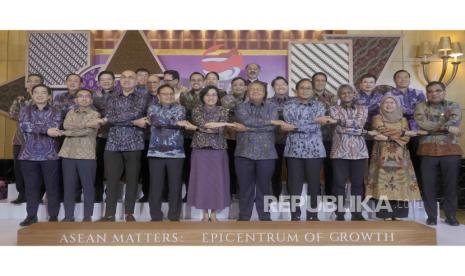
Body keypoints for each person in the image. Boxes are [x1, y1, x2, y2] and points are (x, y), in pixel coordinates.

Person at [98, 70, 149, 222]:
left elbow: (136, 113)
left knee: (132, 180)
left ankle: (129, 213)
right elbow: (111, 117)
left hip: (134, 143)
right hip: (113, 143)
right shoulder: (111, 97)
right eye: (124, 77)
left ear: (136, 80)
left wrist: (112, 119)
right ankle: (109, 214)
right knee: (112, 180)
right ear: (119, 81)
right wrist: (134, 122)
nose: (127, 80)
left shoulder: (142, 98)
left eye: (130, 77)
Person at [282, 79, 335, 221]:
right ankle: (295, 214)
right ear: (296, 90)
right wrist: (314, 121)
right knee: (294, 184)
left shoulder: (320, 105)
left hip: (315, 150)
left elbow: (309, 126)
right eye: (302, 88)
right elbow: (291, 123)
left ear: (312, 90)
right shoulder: (288, 105)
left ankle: (313, 214)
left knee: (314, 184)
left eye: (308, 88)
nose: (305, 90)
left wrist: (296, 127)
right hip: (294, 150)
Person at [233, 82, 285, 221]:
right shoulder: (240, 107)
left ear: (265, 92)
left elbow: (271, 127)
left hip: (267, 153)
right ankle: (244, 216)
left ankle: (265, 216)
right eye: (252, 89)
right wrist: (269, 123)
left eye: (259, 89)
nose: (255, 91)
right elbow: (246, 120)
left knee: (265, 187)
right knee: (244, 187)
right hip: (244, 152)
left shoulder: (273, 107)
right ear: (247, 91)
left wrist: (247, 129)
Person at [366, 95, 423, 220]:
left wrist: (398, 135)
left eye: (392, 102)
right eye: (386, 102)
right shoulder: (377, 118)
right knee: (382, 181)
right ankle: (384, 214)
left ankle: (399, 214)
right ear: (381, 105)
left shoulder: (403, 120)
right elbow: (382, 129)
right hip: (382, 154)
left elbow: (407, 137)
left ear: (396, 105)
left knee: (401, 182)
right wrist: (403, 133)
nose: (389, 105)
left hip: (400, 155)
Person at [414, 81, 462, 226]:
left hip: (450, 149)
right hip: (428, 149)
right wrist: (447, 126)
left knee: (451, 185)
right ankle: (432, 216)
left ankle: (451, 216)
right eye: (430, 91)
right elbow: (422, 123)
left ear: (444, 92)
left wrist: (434, 128)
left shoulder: (454, 105)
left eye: (438, 90)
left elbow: (455, 120)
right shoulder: (421, 106)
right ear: (427, 93)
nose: (434, 93)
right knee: (428, 185)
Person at [147, 84, 197, 221]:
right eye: (164, 94)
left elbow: (176, 120)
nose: (168, 96)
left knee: (175, 186)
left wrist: (169, 121)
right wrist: (175, 122)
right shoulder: (152, 107)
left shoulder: (180, 108)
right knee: (156, 186)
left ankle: (174, 216)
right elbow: (154, 120)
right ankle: (156, 216)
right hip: (155, 152)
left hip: (176, 153)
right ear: (158, 96)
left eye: (171, 94)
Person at [330, 84, 376, 221]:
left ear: (354, 94)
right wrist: (364, 132)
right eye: (343, 93)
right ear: (339, 96)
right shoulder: (333, 109)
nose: (346, 95)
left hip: (359, 151)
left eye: (349, 92)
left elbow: (357, 124)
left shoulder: (364, 109)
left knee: (357, 183)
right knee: (339, 183)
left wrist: (344, 124)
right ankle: (340, 213)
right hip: (339, 151)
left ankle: (357, 213)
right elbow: (340, 129)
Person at [18, 84, 62, 226]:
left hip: (50, 155)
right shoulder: (24, 110)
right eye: (36, 92)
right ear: (32, 95)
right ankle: (31, 216)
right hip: (28, 155)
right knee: (31, 187)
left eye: (43, 93)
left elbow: (54, 125)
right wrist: (46, 130)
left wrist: (39, 128)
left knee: (52, 186)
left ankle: (53, 216)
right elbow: (25, 125)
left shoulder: (57, 110)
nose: (40, 95)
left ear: (49, 96)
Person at [187, 86, 232, 221]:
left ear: (218, 97)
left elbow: (219, 130)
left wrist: (197, 128)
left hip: (218, 149)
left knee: (217, 181)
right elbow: (205, 124)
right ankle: (205, 213)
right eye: (207, 95)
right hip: (200, 150)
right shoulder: (196, 110)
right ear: (202, 97)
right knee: (201, 181)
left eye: (214, 95)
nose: (210, 97)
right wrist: (206, 126)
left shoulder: (224, 110)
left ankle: (214, 213)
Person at [58, 89, 101, 222]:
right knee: (69, 187)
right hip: (68, 154)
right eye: (80, 96)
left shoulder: (95, 114)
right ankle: (68, 216)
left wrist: (68, 132)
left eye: (87, 96)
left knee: (88, 187)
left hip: (86, 155)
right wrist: (80, 127)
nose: (84, 99)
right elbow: (66, 126)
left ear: (91, 100)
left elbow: (88, 132)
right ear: (76, 100)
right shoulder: (71, 112)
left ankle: (87, 217)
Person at [386, 70, 426, 191]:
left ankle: (418, 190)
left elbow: (423, 111)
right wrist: (411, 112)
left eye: (405, 77)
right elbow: (388, 112)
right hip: (397, 132)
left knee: (417, 160)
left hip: (416, 131)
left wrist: (403, 112)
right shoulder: (389, 94)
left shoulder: (418, 93)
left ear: (409, 79)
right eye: (399, 77)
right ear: (394, 80)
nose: (402, 79)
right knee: (397, 161)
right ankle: (400, 190)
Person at [8, 73, 45, 204]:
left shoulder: (47, 100)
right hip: (20, 140)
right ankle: (22, 194)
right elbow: (12, 115)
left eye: (37, 81)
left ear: (42, 84)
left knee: (38, 169)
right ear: (27, 84)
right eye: (30, 81)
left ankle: (38, 196)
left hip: (40, 140)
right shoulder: (20, 99)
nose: (33, 83)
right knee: (19, 169)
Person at [179, 72, 205, 201]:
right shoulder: (184, 95)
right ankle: (189, 193)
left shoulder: (208, 95)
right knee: (188, 167)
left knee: (203, 168)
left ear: (203, 81)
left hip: (204, 135)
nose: (196, 82)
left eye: (199, 80)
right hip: (187, 136)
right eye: (193, 80)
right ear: (190, 82)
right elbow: (182, 114)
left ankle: (202, 194)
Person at [312, 72, 338, 196]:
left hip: (329, 137)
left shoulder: (332, 97)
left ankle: (329, 195)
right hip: (311, 139)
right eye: (317, 80)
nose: (320, 82)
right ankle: (315, 194)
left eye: (323, 80)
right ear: (313, 82)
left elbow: (334, 115)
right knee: (314, 169)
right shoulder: (307, 96)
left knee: (330, 168)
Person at [221, 77, 247, 196]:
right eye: (235, 85)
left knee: (244, 166)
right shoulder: (225, 99)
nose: (238, 87)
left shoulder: (251, 98)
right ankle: (230, 191)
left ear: (245, 87)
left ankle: (242, 191)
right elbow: (229, 110)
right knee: (230, 164)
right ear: (231, 87)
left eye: (241, 85)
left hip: (246, 137)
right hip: (229, 137)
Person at [93, 70, 116, 203]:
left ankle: (111, 194)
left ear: (114, 81)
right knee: (98, 166)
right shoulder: (93, 96)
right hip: (98, 136)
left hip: (115, 136)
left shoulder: (120, 95)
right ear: (99, 82)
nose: (106, 82)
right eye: (103, 79)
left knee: (113, 168)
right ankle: (97, 194)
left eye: (109, 79)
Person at [139, 73, 162, 203]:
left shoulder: (166, 96)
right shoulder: (141, 98)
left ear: (160, 83)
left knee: (161, 168)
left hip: (163, 138)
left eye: (155, 82)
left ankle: (163, 194)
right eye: (149, 82)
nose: (152, 84)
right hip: (145, 137)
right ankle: (147, 193)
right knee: (146, 168)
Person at [268, 76, 292, 198]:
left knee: (293, 171)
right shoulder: (267, 102)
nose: (281, 86)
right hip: (273, 141)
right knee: (275, 171)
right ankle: (275, 197)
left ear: (287, 86)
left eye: (283, 84)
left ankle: (292, 197)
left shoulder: (295, 101)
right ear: (273, 87)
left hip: (292, 141)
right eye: (277, 84)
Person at [356, 73, 383, 156]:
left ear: (375, 84)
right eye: (365, 82)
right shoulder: (354, 97)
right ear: (360, 84)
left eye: (371, 82)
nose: (368, 84)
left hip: (378, 131)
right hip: (360, 132)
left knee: (374, 157)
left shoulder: (381, 97)